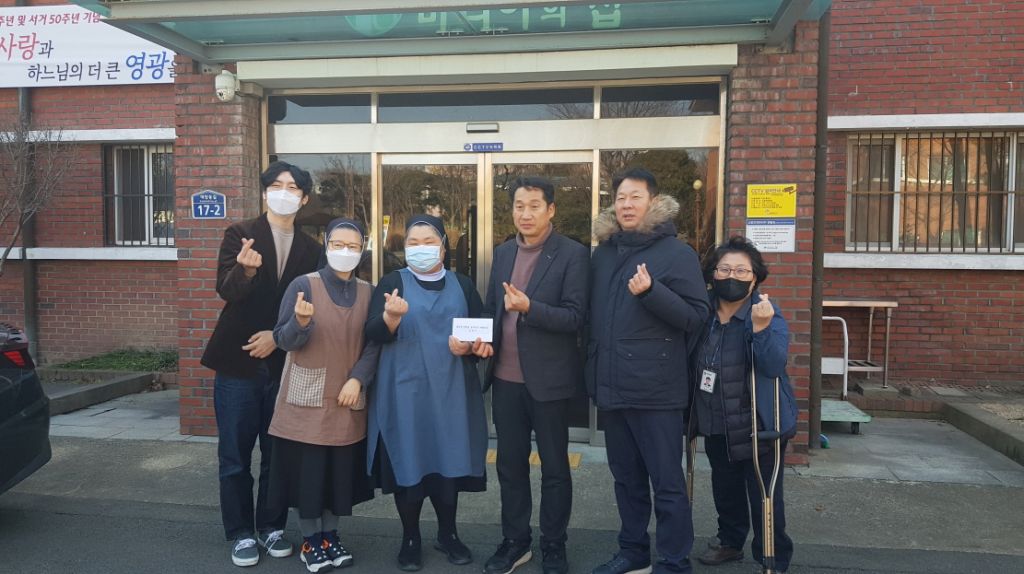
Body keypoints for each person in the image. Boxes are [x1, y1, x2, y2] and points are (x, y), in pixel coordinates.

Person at [587, 168, 710, 574]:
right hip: (612, 385)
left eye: (635, 197)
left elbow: (696, 317)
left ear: (653, 202)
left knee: (667, 483)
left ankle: (674, 560)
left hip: (657, 391)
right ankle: (633, 551)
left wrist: (652, 292)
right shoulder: (604, 254)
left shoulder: (677, 254)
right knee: (626, 479)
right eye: (621, 197)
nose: (626, 204)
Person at [201, 161, 322, 567]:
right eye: (277, 185)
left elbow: (311, 306)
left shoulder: (312, 249)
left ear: (304, 199)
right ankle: (240, 532)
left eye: (293, 187)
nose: (284, 192)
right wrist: (245, 271)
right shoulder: (240, 234)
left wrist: (278, 336)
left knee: (277, 452)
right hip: (237, 362)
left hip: (284, 362)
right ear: (265, 192)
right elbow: (226, 290)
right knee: (235, 455)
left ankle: (271, 526)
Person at [364, 214, 491, 572]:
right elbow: (371, 332)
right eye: (413, 243)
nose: (421, 248)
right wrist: (390, 318)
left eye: (429, 241)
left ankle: (448, 534)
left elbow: (481, 332)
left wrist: (472, 348)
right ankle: (410, 538)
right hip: (405, 391)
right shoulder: (393, 282)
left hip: (452, 391)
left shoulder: (463, 285)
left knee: (448, 462)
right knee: (410, 461)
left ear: (443, 247)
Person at [478, 177, 589, 574]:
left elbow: (575, 317)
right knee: (510, 466)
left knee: (555, 468)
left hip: (550, 381)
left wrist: (530, 308)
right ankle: (516, 541)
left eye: (534, 206)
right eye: (519, 206)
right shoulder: (503, 252)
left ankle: (554, 544)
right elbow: (492, 309)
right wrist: (481, 342)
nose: (525, 214)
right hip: (505, 380)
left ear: (551, 209)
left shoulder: (573, 254)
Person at [267, 218, 380, 573]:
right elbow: (282, 340)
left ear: (362, 250)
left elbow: (375, 344)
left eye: (353, 246)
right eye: (338, 244)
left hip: (347, 396)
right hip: (306, 399)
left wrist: (358, 379)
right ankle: (310, 540)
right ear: (326, 244)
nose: (345, 251)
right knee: (309, 476)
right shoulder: (304, 285)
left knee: (338, 475)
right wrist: (300, 323)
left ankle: (331, 536)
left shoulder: (370, 292)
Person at [692, 236, 797, 573]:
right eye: (724, 269)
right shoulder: (703, 311)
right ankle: (730, 541)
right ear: (713, 274)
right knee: (725, 489)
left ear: (755, 278)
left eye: (741, 270)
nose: (732, 276)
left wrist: (762, 329)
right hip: (716, 420)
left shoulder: (765, 313)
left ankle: (772, 555)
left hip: (758, 424)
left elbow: (773, 365)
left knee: (765, 495)